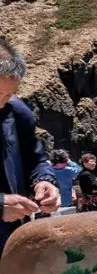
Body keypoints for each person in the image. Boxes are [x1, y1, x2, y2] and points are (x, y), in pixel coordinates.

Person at [0, 38, 60, 254]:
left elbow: (36, 158)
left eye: (8, 94)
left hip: (11, 239)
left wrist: (44, 181)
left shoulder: (15, 112)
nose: (2, 102)